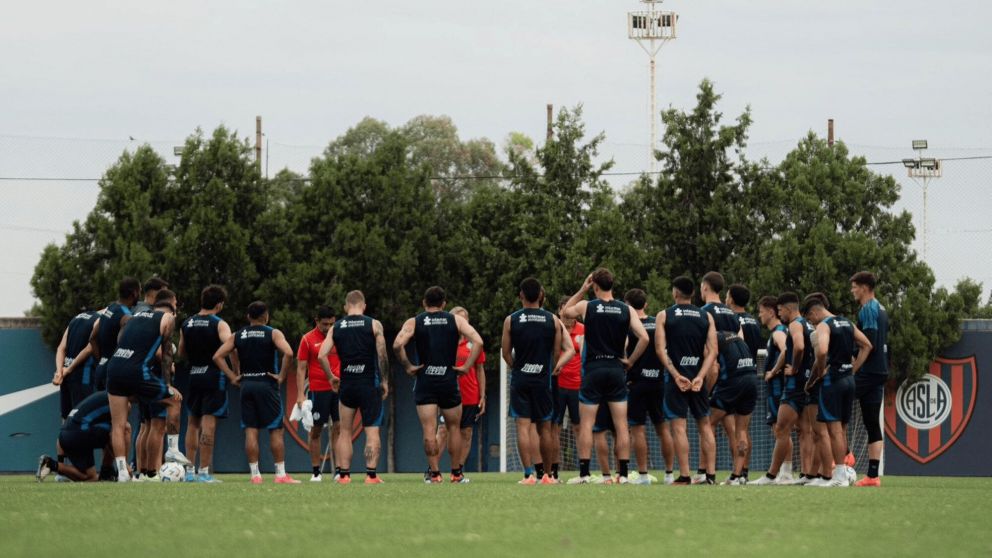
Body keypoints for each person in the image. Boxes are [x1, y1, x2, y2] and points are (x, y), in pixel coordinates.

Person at [561, 268, 649, 484]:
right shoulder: (626, 309)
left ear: (595, 286)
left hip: (593, 370)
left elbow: (565, 312)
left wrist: (582, 289)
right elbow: (644, 338)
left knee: (587, 424)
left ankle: (584, 474)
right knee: (621, 425)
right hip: (616, 369)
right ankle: (624, 475)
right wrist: (630, 361)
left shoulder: (587, 306)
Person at [393, 286, 484, 483]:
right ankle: (456, 474)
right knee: (454, 428)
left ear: (424, 303)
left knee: (429, 429)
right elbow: (478, 341)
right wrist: (466, 366)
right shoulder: (455, 320)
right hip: (448, 382)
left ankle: (434, 474)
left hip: (425, 382)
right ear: (444, 304)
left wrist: (408, 366)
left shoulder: (414, 321)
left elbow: (397, 344)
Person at [105, 289, 187, 482]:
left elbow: (120, 339)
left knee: (118, 425)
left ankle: (122, 472)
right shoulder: (168, 318)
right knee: (174, 400)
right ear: (171, 306)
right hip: (137, 371)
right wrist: (168, 384)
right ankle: (172, 450)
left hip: (114, 367)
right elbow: (166, 355)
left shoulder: (134, 316)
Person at [213, 301, 299, 484]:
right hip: (267, 385)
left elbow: (218, 356)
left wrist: (233, 377)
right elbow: (289, 353)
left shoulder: (238, 335)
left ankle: (255, 475)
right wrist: (281, 376)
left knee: (251, 431)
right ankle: (280, 475)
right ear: (266, 316)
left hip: (247, 385)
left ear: (248, 317)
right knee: (275, 430)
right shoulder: (273, 333)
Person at [503, 278, 574, 485]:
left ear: (521, 295)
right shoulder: (552, 320)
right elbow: (557, 352)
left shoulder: (511, 320)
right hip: (543, 380)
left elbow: (505, 352)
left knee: (523, 427)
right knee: (546, 428)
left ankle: (528, 475)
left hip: (521, 379)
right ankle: (548, 476)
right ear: (540, 296)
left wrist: (517, 368)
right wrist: (551, 368)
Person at [317, 291, 389, 484]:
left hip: (347, 384)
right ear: (364, 306)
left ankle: (344, 475)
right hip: (369, 384)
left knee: (345, 431)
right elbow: (382, 354)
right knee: (372, 431)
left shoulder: (336, 327)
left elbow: (321, 355)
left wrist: (331, 377)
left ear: (345, 307)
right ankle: (371, 476)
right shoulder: (374, 324)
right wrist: (385, 381)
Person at [803, 293, 872, 487]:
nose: (813, 324)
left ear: (814, 312)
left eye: (811, 320)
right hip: (848, 381)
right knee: (841, 429)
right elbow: (867, 345)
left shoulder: (824, 325)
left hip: (833, 381)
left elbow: (822, 351)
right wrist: (852, 370)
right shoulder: (847, 322)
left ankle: (839, 475)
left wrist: (819, 373)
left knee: (833, 429)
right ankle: (838, 474)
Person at [656, 276, 718, 485]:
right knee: (705, 425)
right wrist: (700, 376)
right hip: (698, 380)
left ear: (675, 292)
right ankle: (710, 476)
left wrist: (676, 375)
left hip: (676, 381)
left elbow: (660, 350)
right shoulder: (706, 316)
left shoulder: (664, 315)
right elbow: (713, 351)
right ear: (693, 293)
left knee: (679, 428)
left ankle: (684, 475)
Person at [754, 292, 815, 485]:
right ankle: (807, 474)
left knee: (781, 429)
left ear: (788, 308)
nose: (780, 314)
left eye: (780, 310)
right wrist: (775, 369)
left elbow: (798, 347)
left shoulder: (794, 324)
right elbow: (793, 350)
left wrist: (794, 368)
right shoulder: (808, 324)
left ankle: (772, 475)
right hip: (808, 383)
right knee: (805, 431)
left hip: (793, 385)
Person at [179, 285, 234, 483]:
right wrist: (235, 372)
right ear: (219, 304)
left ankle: (189, 472)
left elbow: (181, 352)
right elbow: (231, 347)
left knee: (192, 424)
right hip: (213, 376)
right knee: (208, 424)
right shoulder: (220, 324)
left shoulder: (187, 323)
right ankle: (203, 472)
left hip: (194, 375)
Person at [623, 288, 673, 485]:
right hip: (659, 382)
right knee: (663, 429)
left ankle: (643, 476)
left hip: (637, 383)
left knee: (637, 429)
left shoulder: (628, 325)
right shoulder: (657, 323)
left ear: (627, 305)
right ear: (645, 304)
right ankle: (669, 475)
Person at [697, 272, 743, 483]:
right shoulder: (732, 314)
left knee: (706, 424)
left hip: (718, 376)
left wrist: (706, 387)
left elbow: (711, 356)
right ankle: (738, 474)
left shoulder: (704, 313)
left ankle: (704, 472)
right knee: (732, 428)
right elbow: (741, 343)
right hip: (737, 374)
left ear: (705, 287)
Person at [435, 306, 486, 483]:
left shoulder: (474, 343)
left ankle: (457, 472)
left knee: (466, 433)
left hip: (470, 396)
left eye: (464, 319)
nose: (461, 323)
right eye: (458, 319)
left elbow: (480, 369)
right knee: (443, 431)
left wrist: (482, 395)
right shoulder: (442, 342)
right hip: (448, 395)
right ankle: (433, 471)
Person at [849, 271, 889, 487]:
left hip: (868, 371)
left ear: (864, 287)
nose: (852, 290)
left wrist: (854, 368)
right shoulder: (881, 308)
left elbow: (869, 344)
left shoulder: (868, 309)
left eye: (854, 286)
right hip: (880, 371)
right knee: (872, 422)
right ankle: (873, 476)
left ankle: (844, 457)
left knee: (833, 403)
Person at [37, 391, 130, 482]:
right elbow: (114, 436)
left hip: (64, 437)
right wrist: (123, 466)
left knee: (90, 476)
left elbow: (63, 432)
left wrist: (60, 461)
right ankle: (110, 471)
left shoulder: (102, 397)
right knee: (125, 428)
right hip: (79, 434)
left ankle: (52, 465)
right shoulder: (121, 403)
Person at [750, 296, 792, 485]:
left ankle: (785, 473)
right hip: (777, 387)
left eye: (761, 311)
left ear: (771, 312)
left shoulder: (778, 333)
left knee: (781, 429)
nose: (759, 315)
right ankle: (785, 472)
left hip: (778, 387)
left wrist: (774, 371)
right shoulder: (778, 332)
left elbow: (786, 350)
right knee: (780, 430)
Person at [296, 306, 341, 482]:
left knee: (339, 428)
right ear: (317, 321)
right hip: (318, 390)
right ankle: (316, 472)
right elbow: (301, 369)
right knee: (315, 430)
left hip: (339, 389)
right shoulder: (307, 339)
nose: (328, 327)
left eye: (331, 324)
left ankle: (340, 471)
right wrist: (300, 395)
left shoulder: (339, 336)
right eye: (325, 324)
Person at [708, 331, 759, 485]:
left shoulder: (714, 337)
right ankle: (738, 475)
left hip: (732, 383)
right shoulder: (738, 338)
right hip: (752, 381)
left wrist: (706, 393)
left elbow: (714, 369)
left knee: (707, 425)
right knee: (741, 430)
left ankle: (707, 474)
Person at [726, 283, 761, 480]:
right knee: (743, 429)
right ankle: (743, 472)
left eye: (727, 295)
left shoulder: (732, 320)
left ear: (731, 298)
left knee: (732, 428)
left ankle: (735, 472)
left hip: (734, 376)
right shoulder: (754, 321)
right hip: (752, 375)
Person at [551, 297, 584, 481]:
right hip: (557, 386)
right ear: (559, 311)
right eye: (565, 312)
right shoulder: (554, 328)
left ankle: (584, 471)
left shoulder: (584, 330)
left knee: (579, 428)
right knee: (554, 429)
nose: (569, 316)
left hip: (578, 387)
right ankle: (554, 471)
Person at [91, 277, 140, 392]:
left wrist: (102, 361)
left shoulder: (109, 308)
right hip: (113, 376)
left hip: (101, 370)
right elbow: (126, 348)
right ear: (134, 293)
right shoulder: (127, 317)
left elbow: (92, 338)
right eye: (140, 291)